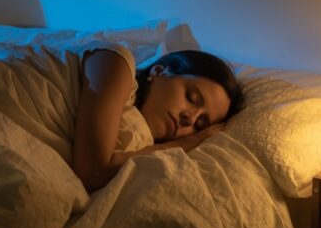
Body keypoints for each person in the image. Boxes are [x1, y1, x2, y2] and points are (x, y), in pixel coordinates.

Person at [73, 49, 245, 192]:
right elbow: (93, 172)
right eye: (191, 97)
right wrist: (187, 142)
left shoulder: (145, 147)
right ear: (159, 72)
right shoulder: (116, 63)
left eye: (200, 124)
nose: (190, 119)